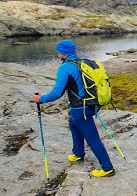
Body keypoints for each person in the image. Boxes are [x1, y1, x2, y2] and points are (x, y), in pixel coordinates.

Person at [32, 40, 114, 177]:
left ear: (62, 52)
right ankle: (78, 153)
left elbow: (57, 93)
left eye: (58, 51)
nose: (57, 53)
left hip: (79, 108)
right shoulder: (83, 63)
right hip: (90, 105)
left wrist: (40, 99)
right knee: (73, 123)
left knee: (93, 139)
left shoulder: (65, 68)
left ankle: (107, 168)